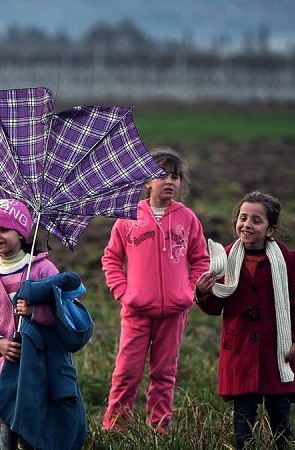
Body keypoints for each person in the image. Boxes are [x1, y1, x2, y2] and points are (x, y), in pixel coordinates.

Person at [102, 147, 210, 432]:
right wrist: (124, 293)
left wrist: (189, 291)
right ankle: (115, 428)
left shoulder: (187, 219)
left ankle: (159, 429)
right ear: (147, 181)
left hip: (174, 312)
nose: (170, 181)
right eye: (162, 175)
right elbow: (111, 258)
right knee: (127, 373)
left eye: (175, 176)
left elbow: (200, 259)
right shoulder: (128, 218)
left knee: (164, 374)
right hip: (136, 311)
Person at [195, 191, 295, 449]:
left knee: (281, 426)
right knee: (243, 429)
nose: (247, 224)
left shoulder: (287, 260)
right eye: (242, 217)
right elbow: (217, 307)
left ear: (270, 229)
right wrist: (204, 292)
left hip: (277, 353)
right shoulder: (224, 258)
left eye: (256, 220)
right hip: (240, 354)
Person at [0, 198, 58, 450]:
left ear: (21, 233)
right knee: (6, 413)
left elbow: (63, 313)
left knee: (33, 415)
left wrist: (35, 311)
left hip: (38, 360)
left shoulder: (42, 269)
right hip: (5, 362)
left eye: (3, 229)